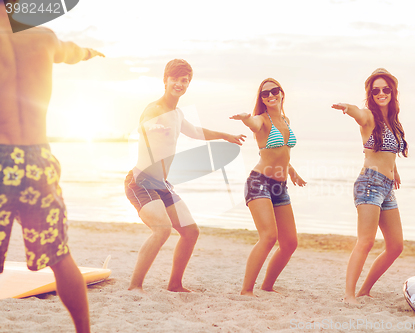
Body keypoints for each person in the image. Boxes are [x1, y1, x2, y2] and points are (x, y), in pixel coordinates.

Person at [0, 1, 104, 332]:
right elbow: (72, 52)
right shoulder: (44, 36)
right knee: (60, 257)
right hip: (37, 159)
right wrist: (88, 52)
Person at [125, 59, 246, 293]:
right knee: (162, 230)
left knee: (191, 232)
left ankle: (175, 284)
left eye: (184, 80)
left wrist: (224, 135)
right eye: (175, 79)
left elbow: (197, 132)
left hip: (161, 183)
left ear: (188, 84)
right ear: (165, 80)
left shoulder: (178, 114)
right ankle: (134, 286)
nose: (179, 84)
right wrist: (153, 128)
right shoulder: (154, 108)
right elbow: (143, 126)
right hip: (141, 182)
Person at [331, 68, 408, 304]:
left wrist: (394, 171)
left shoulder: (394, 122)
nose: (381, 93)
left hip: (385, 187)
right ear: (370, 94)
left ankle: (365, 290)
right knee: (365, 241)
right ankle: (349, 295)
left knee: (396, 246)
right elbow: (359, 114)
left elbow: (389, 151)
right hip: (369, 184)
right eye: (376, 90)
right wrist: (349, 108)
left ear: (392, 92)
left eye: (386, 89)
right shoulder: (369, 117)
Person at [231, 78, 306, 297]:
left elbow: (282, 151)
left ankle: (267, 286)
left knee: (290, 243)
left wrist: (291, 171)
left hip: (279, 188)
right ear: (261, 99)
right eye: (265, 94)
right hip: (259, 183)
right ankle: (246, 290)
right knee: (268, 236)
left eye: (274, 91)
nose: (270, 95)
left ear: (282, 93)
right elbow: (253, 124)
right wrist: (246, 119)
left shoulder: (285, 119)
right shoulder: (261, 120)